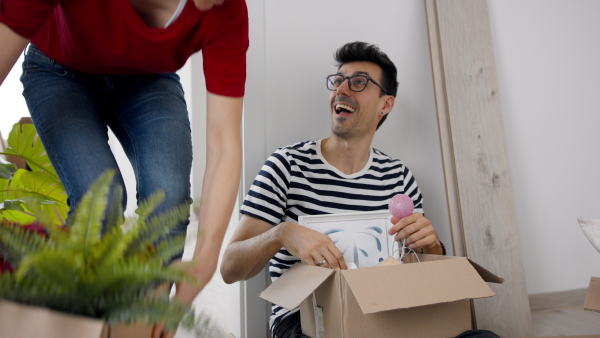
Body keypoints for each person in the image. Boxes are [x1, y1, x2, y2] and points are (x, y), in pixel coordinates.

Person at [0, 0, 247, 337]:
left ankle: (144, 326)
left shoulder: (227, 9)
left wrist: (203, 263)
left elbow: (224, 144)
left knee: (168, 196)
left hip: (148, 79)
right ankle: (80, 325)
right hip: (58, 71)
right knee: (100, 196)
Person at [220, 41, 445, 337]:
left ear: (385, 104)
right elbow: (229, 268)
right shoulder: (286, 166)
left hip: (385, 317)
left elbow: (431, 275)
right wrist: (281, 233)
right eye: (338, 81)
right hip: (305, 321)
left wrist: (431, 246)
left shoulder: (398, 177)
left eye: (359, 82)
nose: (342, 89)